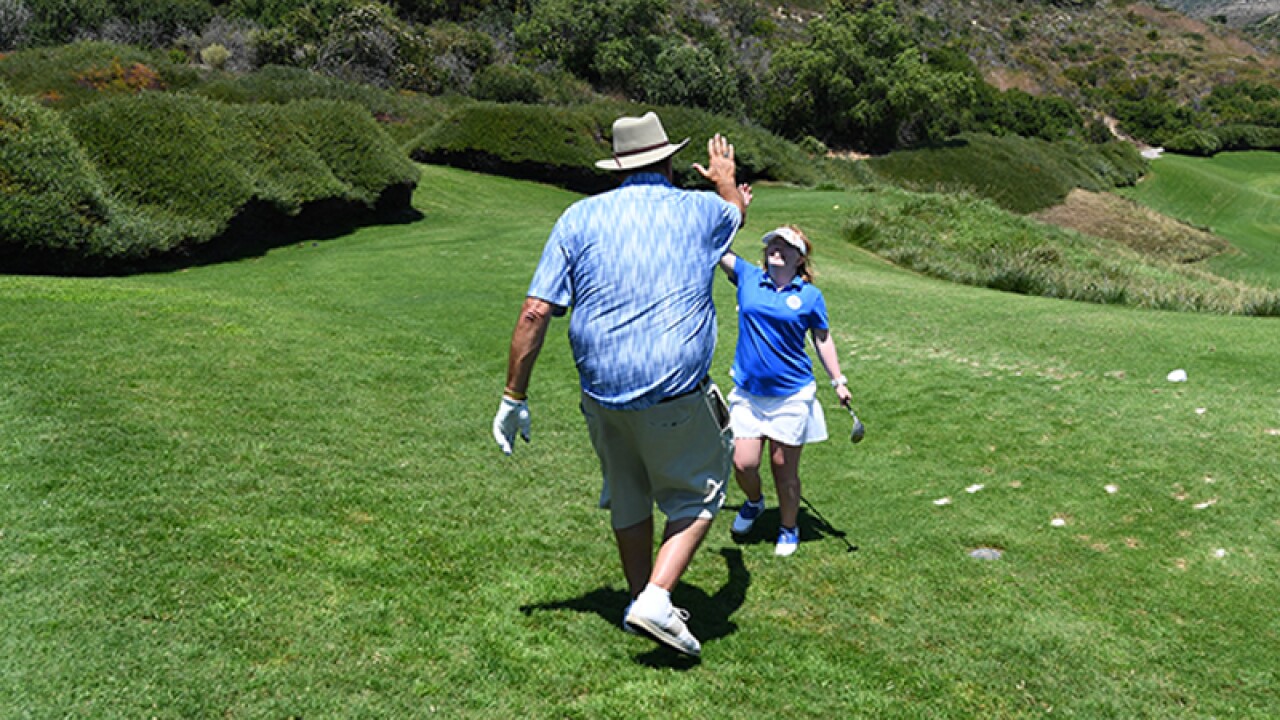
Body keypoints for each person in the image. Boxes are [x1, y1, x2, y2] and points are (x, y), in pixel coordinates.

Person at [493, 111, 747, 657]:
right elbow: (734, 213)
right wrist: (724, 178)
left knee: (628, 492)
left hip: (602, 394)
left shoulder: (578, 218)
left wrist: (514, 396)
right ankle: (656, 598)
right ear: (668, 160)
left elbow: (536, 312)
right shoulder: (700, 210)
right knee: (700, 491)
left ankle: (639, 599)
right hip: (674, 392)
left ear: (617, 166)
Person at [719, 224, 852, 556]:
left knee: (783, 466)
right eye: (772, 244)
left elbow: (821, 337)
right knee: (743, 464)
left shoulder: (809, 296)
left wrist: (838, 380)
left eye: (785, 245)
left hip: (792, 394)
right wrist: (735, 208)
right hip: (749, 393)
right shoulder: (749, 278)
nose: (776, 248)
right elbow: (719, 248)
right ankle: (754, 502)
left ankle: (789, 527)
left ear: (800, 257)